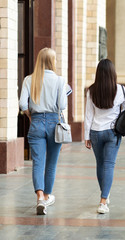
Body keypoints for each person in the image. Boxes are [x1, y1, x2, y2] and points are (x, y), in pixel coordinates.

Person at [19, 47, 69, 215]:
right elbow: (62, 105)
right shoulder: (60, 80)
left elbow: (23, 105)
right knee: (51, 163)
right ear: (52, 61)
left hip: (37, 122)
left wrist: (31, 116)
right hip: (54, 123)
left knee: (38, 162)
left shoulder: (29, 79)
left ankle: (39, 197)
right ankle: (47, 196)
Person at [84, 59, 125, 214]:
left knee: (100, 164)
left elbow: (88, 115)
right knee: (109, 165)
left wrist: (86, 136)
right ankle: (103, 201)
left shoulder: (91, 90)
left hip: (95, 132)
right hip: (113, 132)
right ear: (113, 73)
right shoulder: (120, 90)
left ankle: (104, 194)